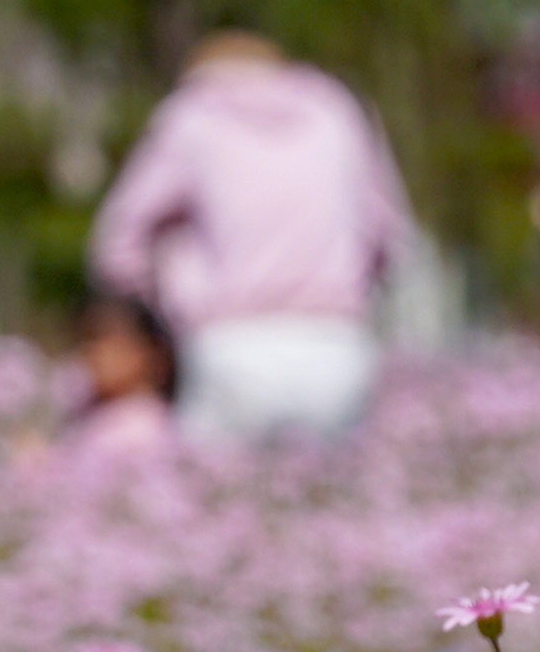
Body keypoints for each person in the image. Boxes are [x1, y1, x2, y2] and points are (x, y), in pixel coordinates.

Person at [87, 31, 411, 442]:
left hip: (229, 343)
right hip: (337, 346)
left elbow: (119, 239)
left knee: (216, 498)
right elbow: (389, 238)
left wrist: (160, 313)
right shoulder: (337, 111)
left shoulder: (192, 116)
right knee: (328, 500)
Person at [62, 287, 179, 459]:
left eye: (103, 339)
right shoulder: (89, 413)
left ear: (148, 352)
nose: (91, 352)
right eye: (84, 340)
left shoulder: (143, 429)